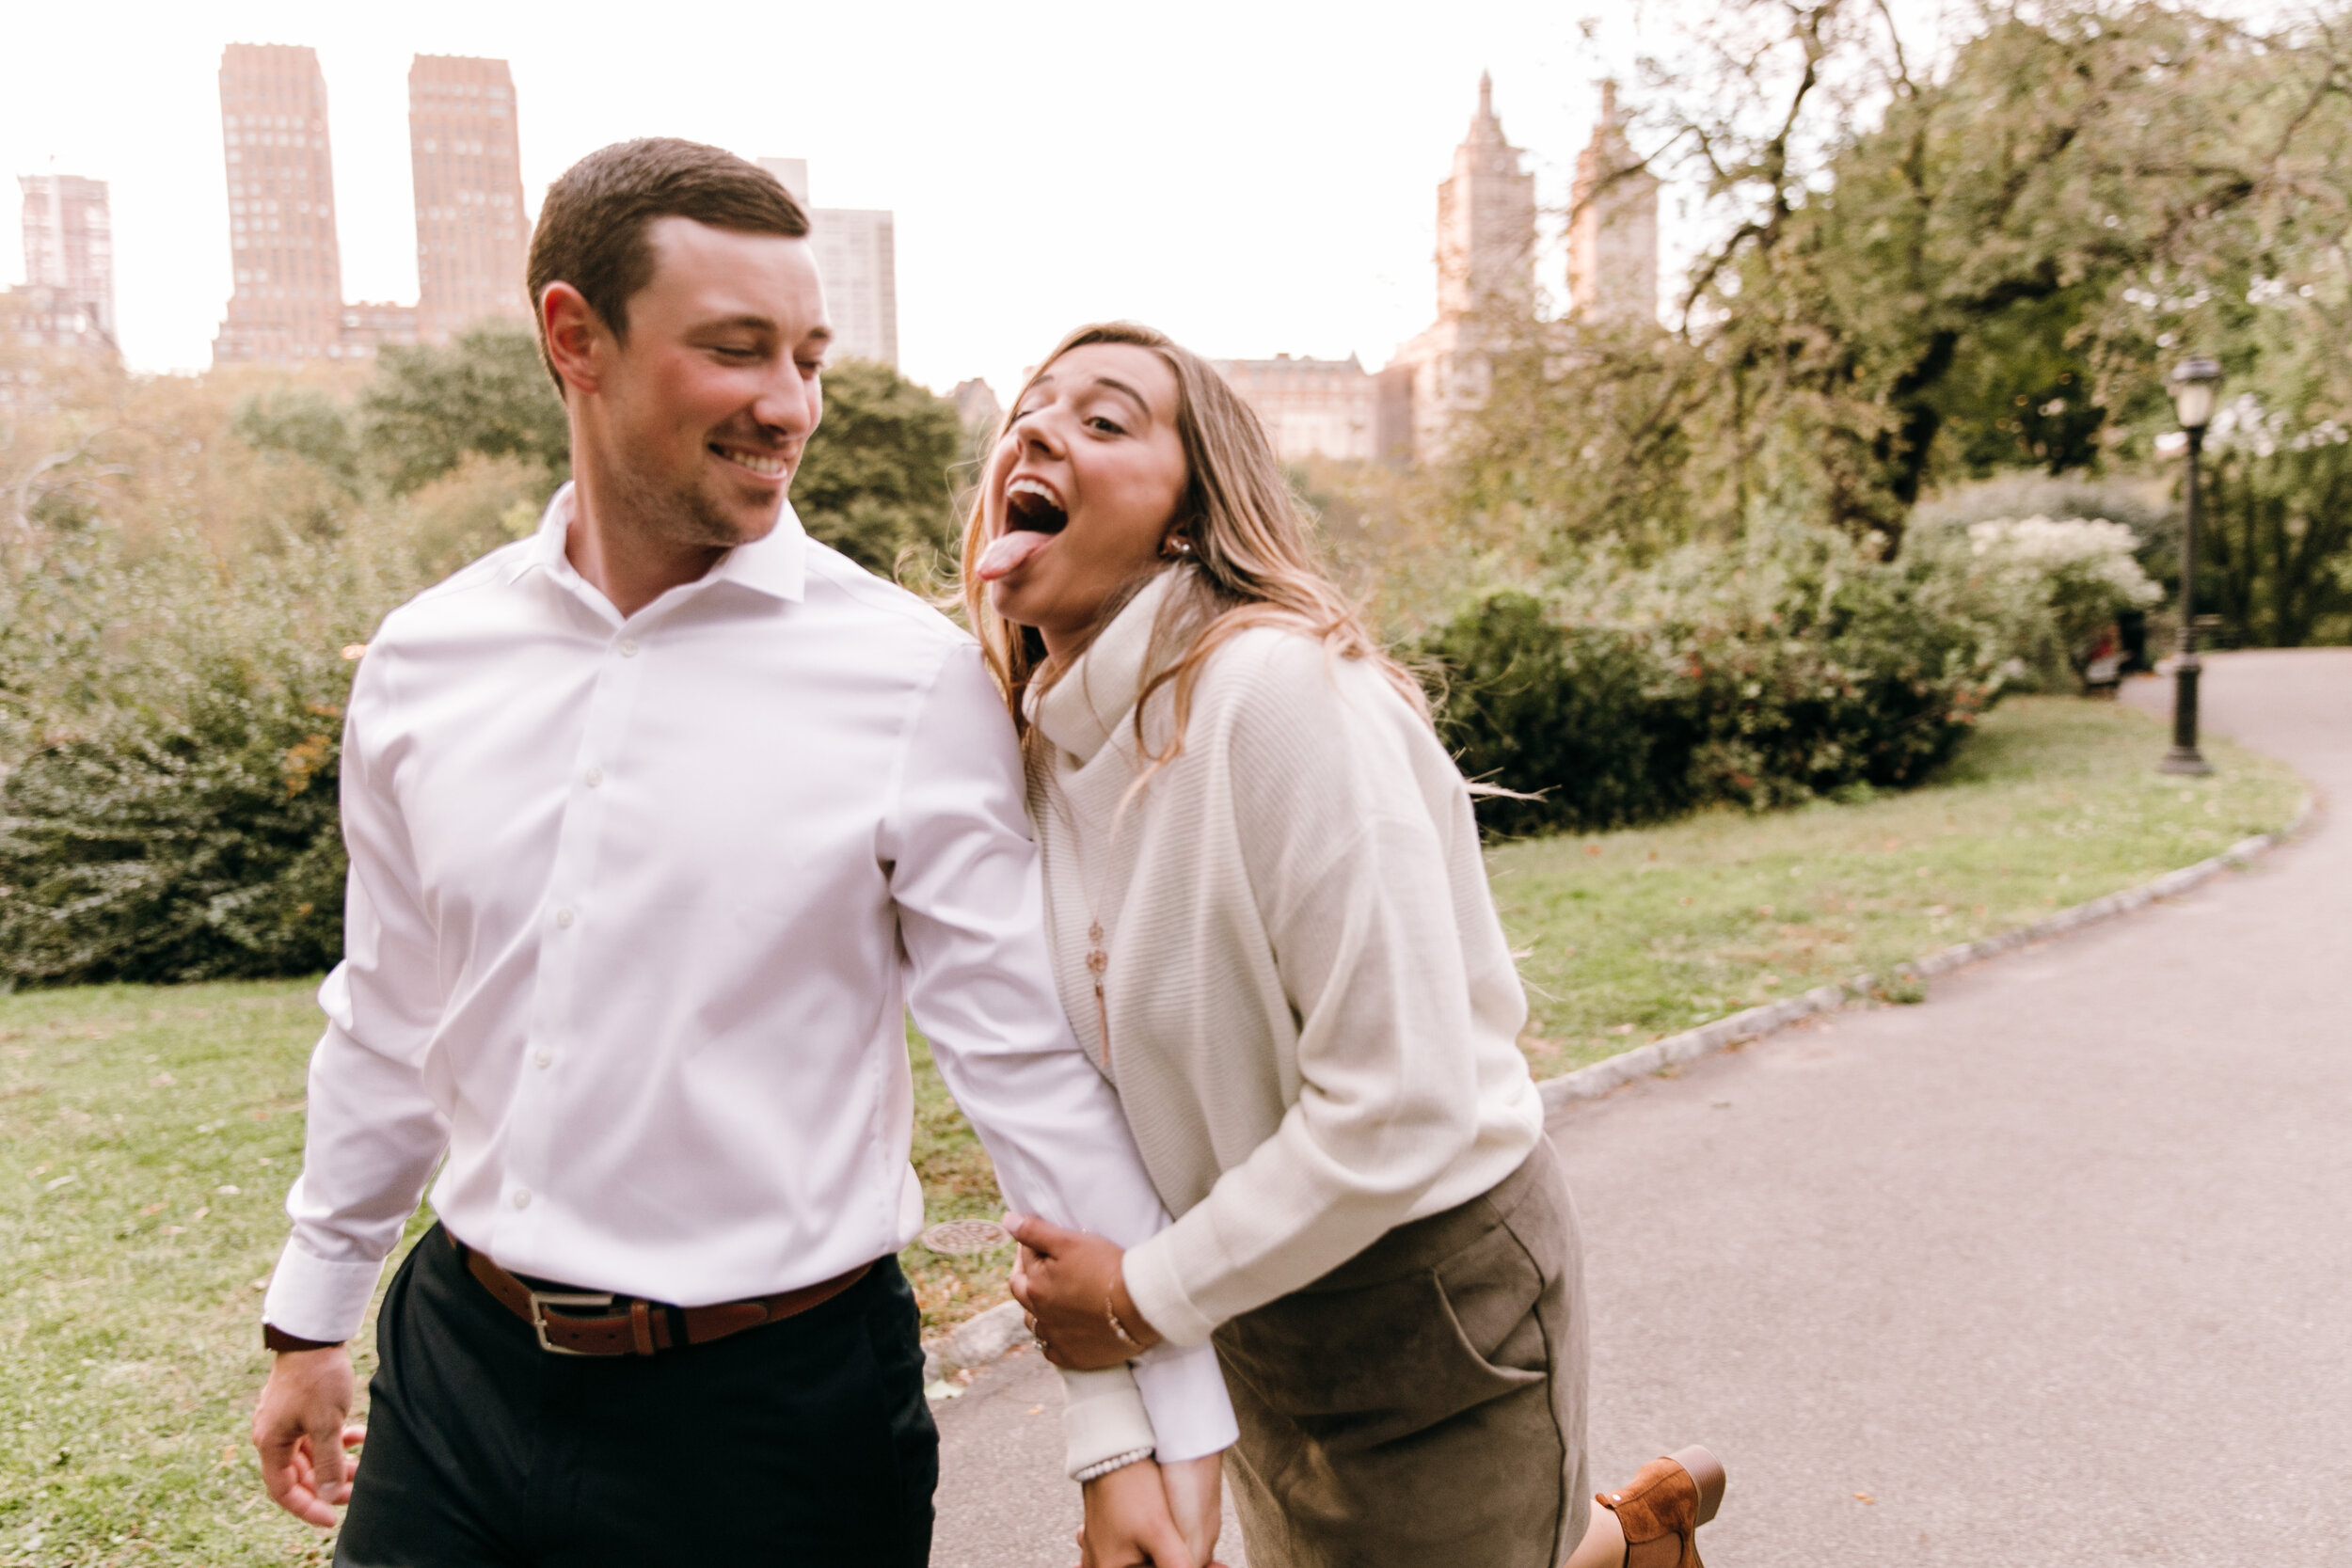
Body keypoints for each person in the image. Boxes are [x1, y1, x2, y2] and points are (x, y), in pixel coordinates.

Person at [246, 144, 1236, 1568]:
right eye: (735, 350)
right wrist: (311, 1318)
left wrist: (1146, 1428)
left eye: (808, 354)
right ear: (575, 338)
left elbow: (1023, 1063)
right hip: (457, 1382)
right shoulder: (422, 660)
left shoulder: (906, 683)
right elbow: (391, 1013)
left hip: (775, 1428)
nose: (791, 404)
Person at [964, 322, 1728, 1568]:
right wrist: (1129, 1401)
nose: (1040, 432)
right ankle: (1629, 1534)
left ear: (1186, 519)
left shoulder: (1282, 696)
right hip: (1249, 1295)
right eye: (1030, 414)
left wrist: (1138, 1303)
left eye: (1106, 420)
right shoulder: (1035, 755)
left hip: (1427, 1291)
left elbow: (1398, 1101)